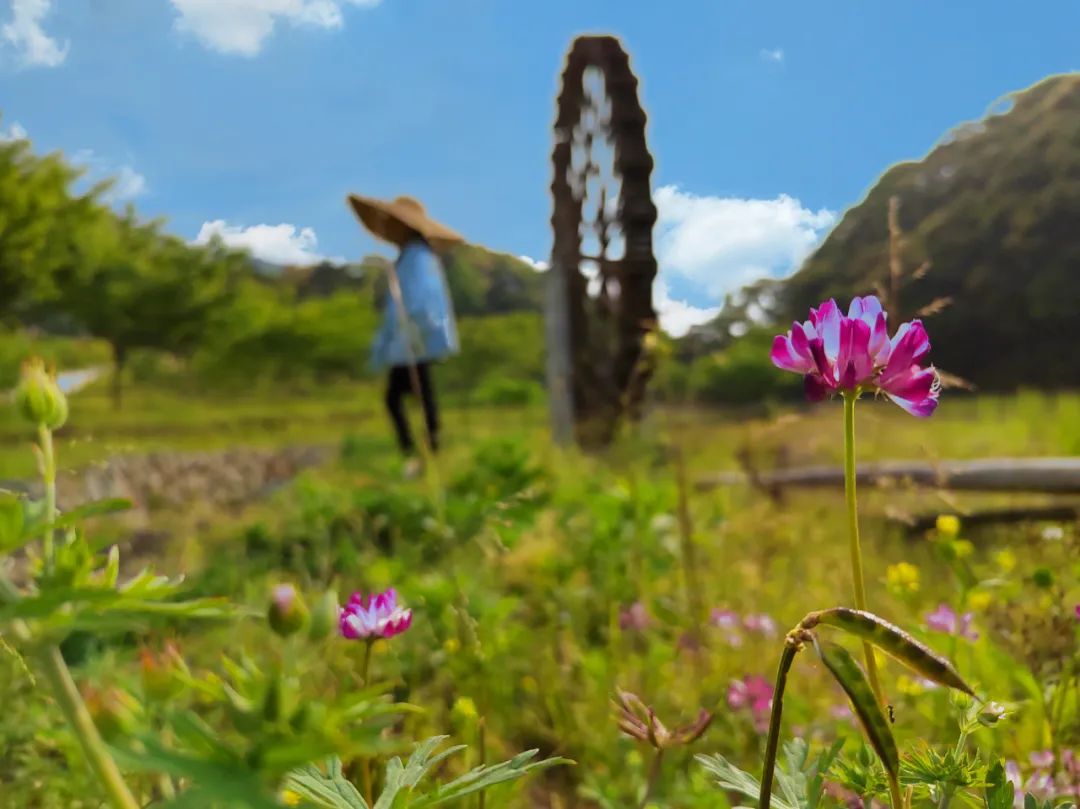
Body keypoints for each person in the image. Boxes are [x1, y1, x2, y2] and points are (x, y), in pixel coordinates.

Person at [347, 193, 463, 476]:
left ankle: (420, 452)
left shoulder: (418, 257)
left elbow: (419, 301)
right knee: (417, 393)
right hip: (412, 337)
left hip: (414, 337)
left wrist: (411, 332)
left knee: (406, 395)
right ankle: (425, 451)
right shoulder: (412, 256)